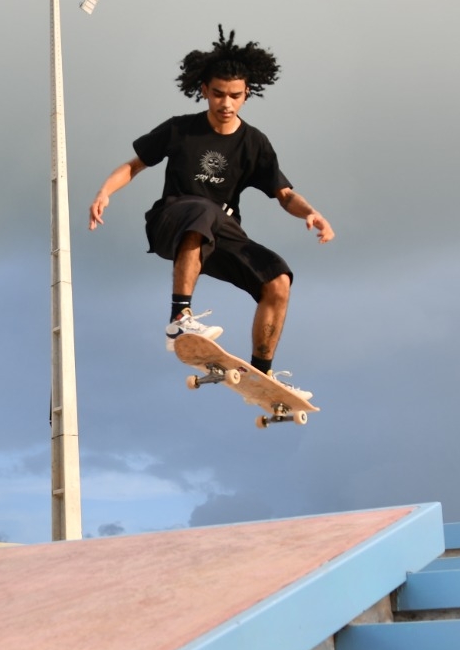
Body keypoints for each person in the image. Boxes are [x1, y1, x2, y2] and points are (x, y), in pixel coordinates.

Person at [88, 26, 334, 387]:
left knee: (278, 279)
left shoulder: (255, 143)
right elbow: (134, 165)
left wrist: (311, 212)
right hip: (171, 220)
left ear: (247, 94)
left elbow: (284, 194)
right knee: (202, 210)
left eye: (235, 95)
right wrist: (105, 192)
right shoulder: (180, 129)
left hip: (219, 231)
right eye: (218, 94)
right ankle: (179, 318)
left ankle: (262, 373)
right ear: (204, 90)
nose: (226, 104)